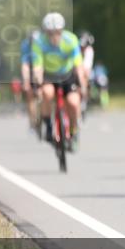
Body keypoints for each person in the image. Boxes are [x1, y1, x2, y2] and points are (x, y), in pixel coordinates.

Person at [32, 13, 86, 151]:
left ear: (62, 30)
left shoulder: (71, 40)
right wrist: (37, 82)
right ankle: (49, 126)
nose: (54, 36)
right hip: (49, 75)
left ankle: (74, 132)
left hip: (67, 75)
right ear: (46, 32)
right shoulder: (39, 42)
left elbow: (78, 66)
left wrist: (83, 84)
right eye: (50, 33)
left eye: (57, 32)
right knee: (47, 93)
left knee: (73, 103)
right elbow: (37, 66)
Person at [20, 30, 42, 131]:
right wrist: (26, 81)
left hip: (42, 68)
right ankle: (32, 121)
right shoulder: (25, 46)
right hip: (30, 69)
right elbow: (25, 65)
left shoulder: (44, 45)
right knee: (29, 95)